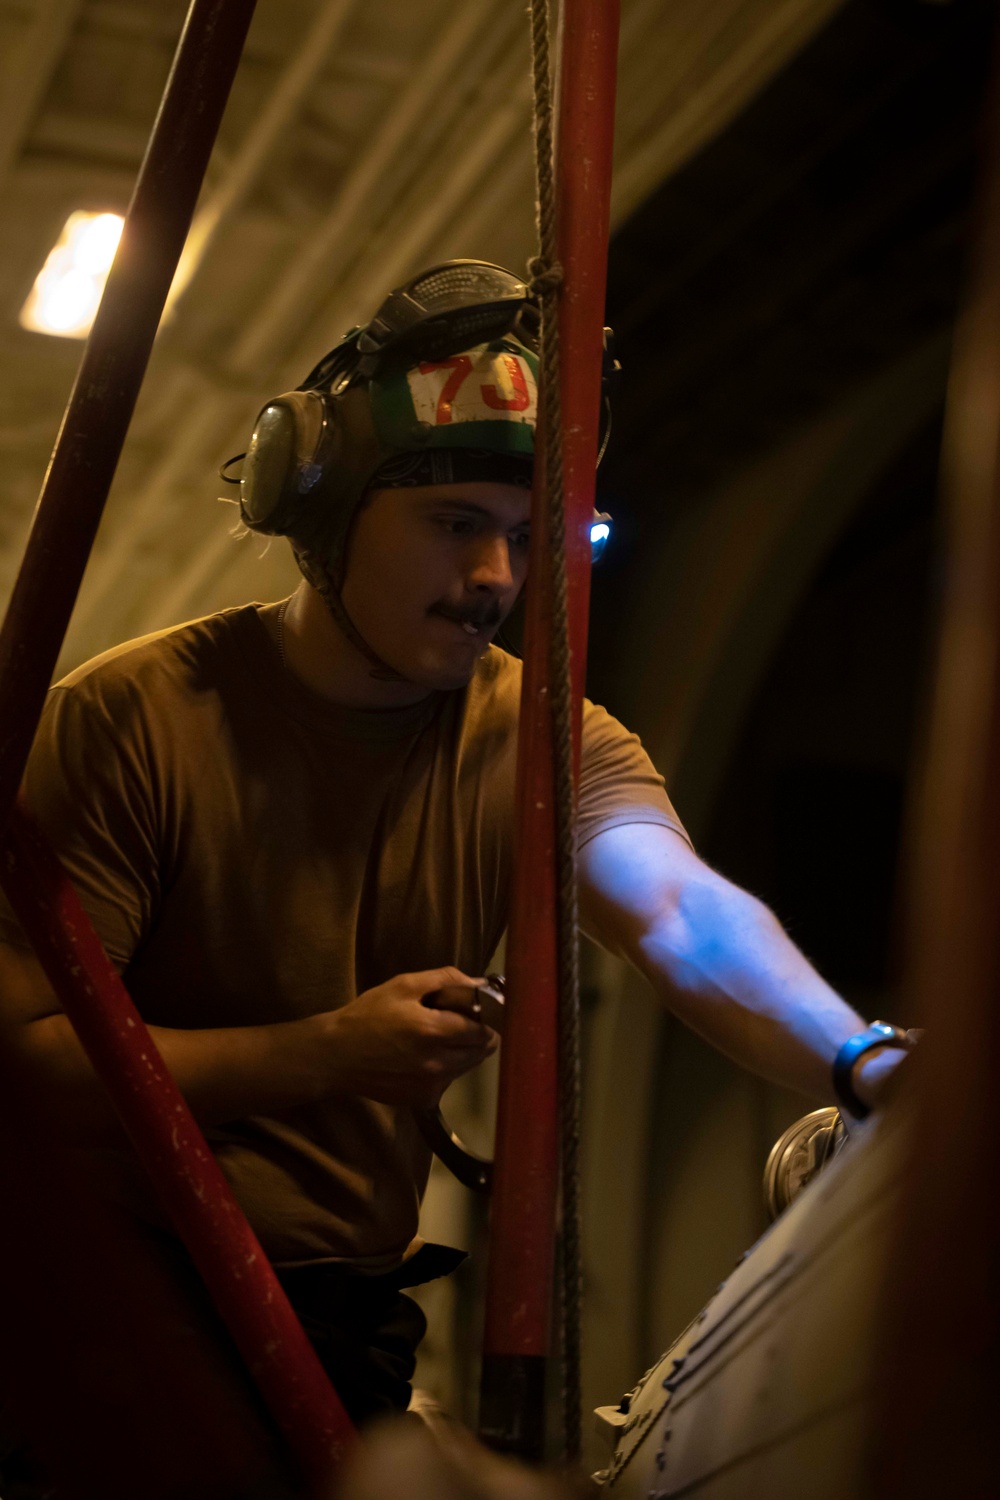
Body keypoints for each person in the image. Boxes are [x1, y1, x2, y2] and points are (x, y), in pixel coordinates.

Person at [0, 262, 909, 1440]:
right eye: (453, 525)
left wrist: (869, 1065)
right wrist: (320, 1056)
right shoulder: (130, 716)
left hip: (339, 1322)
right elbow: (24, 1068)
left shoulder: (542, 736)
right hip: (95, 1315)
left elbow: (679, 912)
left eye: (529, 536)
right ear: (322, 512)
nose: (496, 579)